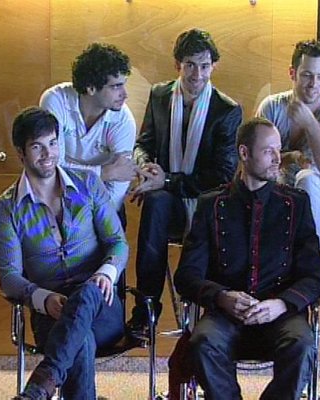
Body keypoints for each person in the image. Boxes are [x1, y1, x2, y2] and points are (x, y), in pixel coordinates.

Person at [173, 117, 320, 400]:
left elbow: (314, 277)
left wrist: (281, 304)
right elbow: (187, 276)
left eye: (279, 149)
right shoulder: (211, 204)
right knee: (203, 343)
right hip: (225, 315)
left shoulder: (296, 203)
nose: (278, 158)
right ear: (244, 153)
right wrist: (222, 297)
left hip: (280, 313)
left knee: (302, 346)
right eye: (268, 151)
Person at [0, 107, 129, 400]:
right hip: (50, 311)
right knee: (80, 340)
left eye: (53, 143)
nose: (48, 154)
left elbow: (117, 242)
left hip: (102, 305)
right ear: (21, 153)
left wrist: (106, 273)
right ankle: (44, 384)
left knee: (88, 292)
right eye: (37, 147)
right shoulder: (7, 208)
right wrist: (43, 299)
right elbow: (9, 277)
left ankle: (39, 387)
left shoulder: (88, 184)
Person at [127, 28, 242, 337]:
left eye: (204, 66)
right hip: (167, 202)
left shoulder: (227, 110)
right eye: (190, 65)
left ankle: (209, 316)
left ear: (214, 66)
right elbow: (143, 143)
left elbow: (221, 176)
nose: (197, 74)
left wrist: (165, 180)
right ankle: (146, 310)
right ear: (177, 64)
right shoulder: (160, 95)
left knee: (161, 198)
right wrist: (146, 169)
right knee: (155, 203)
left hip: (207, 206)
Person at [256, 39, 320, 241]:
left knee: (306, 178)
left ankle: (309, 254)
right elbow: (256, 162)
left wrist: (310, 124)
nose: (314, 84)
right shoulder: (272, 106)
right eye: (307, 75)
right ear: (292, 73)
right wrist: (291, 157)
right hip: (278, 193)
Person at [39, 42, 139, 222]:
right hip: (57, 200)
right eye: (116, 86)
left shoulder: (123, 121)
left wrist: (86, 217)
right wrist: (105, 173)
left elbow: (118, 186)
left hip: (103, 207)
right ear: (91, 88)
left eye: (123, 85)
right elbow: (52, 168)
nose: (125, 94)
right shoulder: (55, 101)